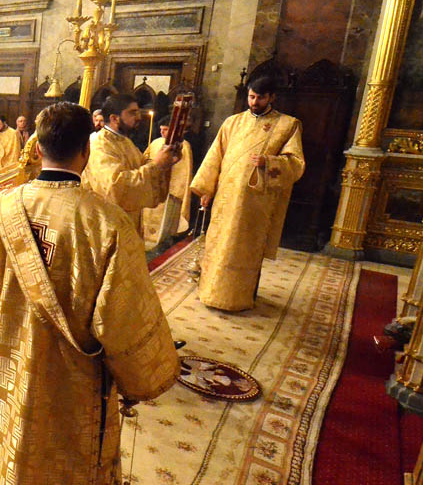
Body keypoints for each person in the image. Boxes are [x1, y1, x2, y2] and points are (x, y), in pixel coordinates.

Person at [0, 102, 179, 485]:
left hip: (8, 370)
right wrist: (141, 376)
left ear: (38, 146)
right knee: (68, 455)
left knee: (13, 456)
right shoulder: (106, 224)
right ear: (86, 150)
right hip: (74, 383)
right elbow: (125, 320)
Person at [190, 76, 305, 311]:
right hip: (226, 198)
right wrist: (206, 189)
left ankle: (239, 298)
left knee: (244, 248)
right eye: (251, 96)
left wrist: (269, 162)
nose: (254, 102)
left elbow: (296, 163)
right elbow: (215, 157)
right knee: (218, 244)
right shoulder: (232, 122)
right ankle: (209, 292)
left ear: (272, 97)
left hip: (256, 203)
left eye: (260, 97)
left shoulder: (287, 125)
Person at [83, 94, 178, 233]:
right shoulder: (99, 144)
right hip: (107, 227)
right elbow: (115, 187)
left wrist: (165, 162)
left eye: (138, 112)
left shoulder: (125, 141)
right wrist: (157, 165)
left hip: (128, 223)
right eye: (133, 113)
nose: (139, 117)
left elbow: (144, 166)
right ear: (114, 118)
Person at [141, 116, 194, 247]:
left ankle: (162, 246)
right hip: (153, 186)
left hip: (170, 190)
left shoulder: (183, 146)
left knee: (165, 225)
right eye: (161, 130)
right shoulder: (155, 142)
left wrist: (175, 189)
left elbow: (184, 172)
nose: (162, 133)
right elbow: (144, 161)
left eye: (165, 130)